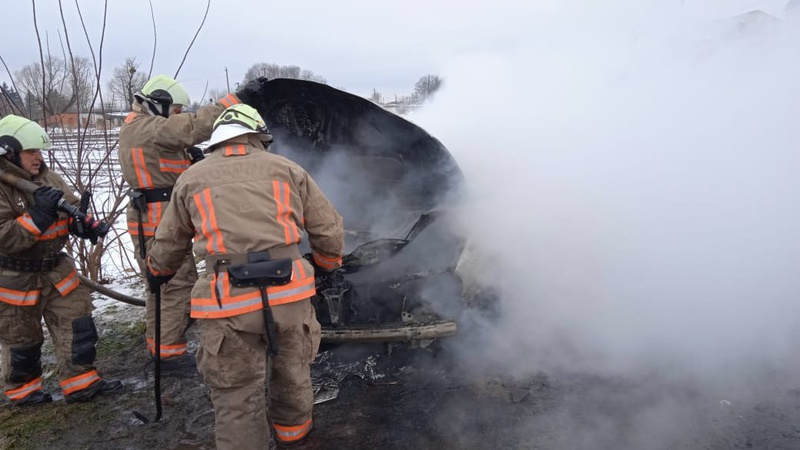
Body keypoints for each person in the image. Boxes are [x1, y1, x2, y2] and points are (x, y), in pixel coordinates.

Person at [145, 104, 344, 449]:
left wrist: (157, 272)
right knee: (293, 373)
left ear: (217, 140)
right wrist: (327, 265)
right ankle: (293, 437)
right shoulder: (288, 169)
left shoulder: (192, 177)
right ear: (257, 137)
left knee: (236, 392)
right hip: (288, 297)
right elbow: (328, 230)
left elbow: (168, 242)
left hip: (227, 302)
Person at [118, 74, 241, 376]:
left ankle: (164, 344)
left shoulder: (145, 129)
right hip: (156, 220)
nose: (178, 117)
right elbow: (192, 128)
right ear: (158, 103)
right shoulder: (145, 127)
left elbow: (165, 168)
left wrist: (191, 162)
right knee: (172, 284)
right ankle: (168, 357)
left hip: (160, 215)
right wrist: (233, 101)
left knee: (169, 283)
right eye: (175, 111)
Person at [0, 114, 122, 405]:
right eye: (32, 152)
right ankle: (24, 393)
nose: (39, 158)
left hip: (57, 270)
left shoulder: (48, 177)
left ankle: (82, 384)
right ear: (10, 151)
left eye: (40, 151)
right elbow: (6, 237)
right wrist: (37, 216)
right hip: (16, 278)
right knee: (22, 340)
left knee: (77, 325)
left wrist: (83, 225)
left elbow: (71, 208)